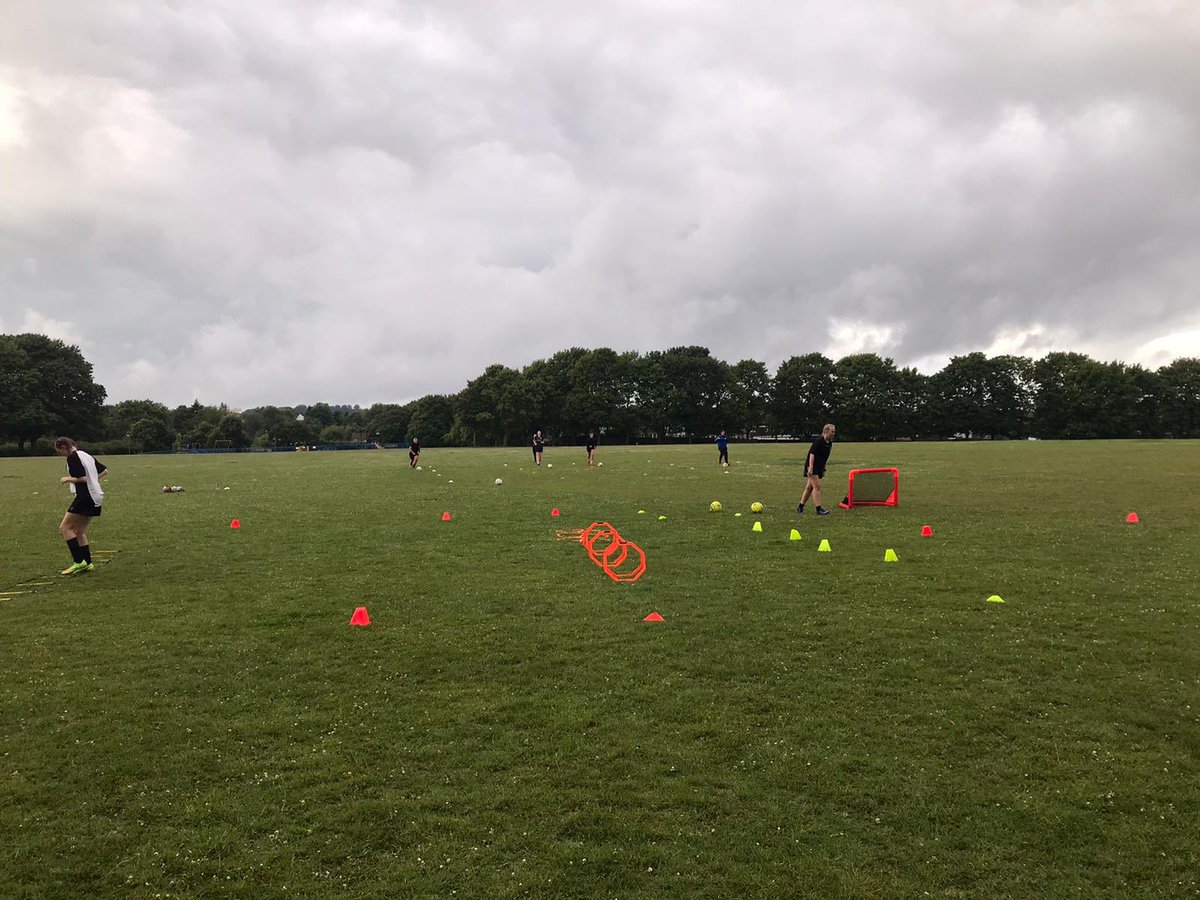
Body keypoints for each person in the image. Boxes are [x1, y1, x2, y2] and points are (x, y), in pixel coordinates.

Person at [54, 437, 108, 575]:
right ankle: (88, 563)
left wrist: (68, 479)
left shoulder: (72, 457)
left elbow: (84, 478)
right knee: (79, 530)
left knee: (65, 527)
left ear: (64, 447)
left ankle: (78, 562)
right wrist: (93, 481)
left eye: (60, 451)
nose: (61, 455)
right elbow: (104, 471)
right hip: (96, 496)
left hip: (86, 496)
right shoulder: (85, 455)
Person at [797, 424, 836, 515]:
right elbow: (812, 454)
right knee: (817, 486)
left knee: (809, 488)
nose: (834, 433)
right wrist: (810, 467)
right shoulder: (818, 441)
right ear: (826, 431)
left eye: (834, 432)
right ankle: (818, 509)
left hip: (819, 467)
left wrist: (824, 468)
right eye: (832, 431)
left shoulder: (829, 442)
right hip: (812, 466)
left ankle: (800, 507)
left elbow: (826, 456)